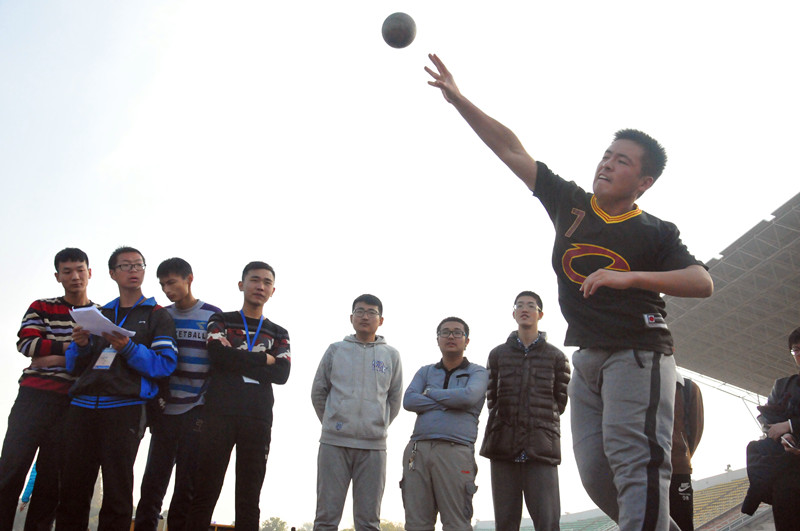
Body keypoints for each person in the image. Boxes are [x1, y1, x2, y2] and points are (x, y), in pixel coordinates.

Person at [425, 54, 714, 530]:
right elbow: (511, 150)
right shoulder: (570, 202)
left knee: (635, 466)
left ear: (644, 182)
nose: (607, 164)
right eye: (607, 154)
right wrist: (459, 100)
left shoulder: (656, 231)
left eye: (622, 161)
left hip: (638, 353)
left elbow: (701, 282)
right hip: (588, 359)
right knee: (598, 474)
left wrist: (628, 277)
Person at [56, 246, 178, 531]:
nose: (133, 270)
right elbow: (75, 366)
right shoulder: (98, 313)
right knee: (72, 490)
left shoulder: (157, 315)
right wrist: (81, 345)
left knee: (117, 491)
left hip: (125, 408)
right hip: (82, 408)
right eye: (126, 265)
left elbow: (164, 364)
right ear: (112, 273)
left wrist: (129, 348)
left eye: (138, 265)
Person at [185, 261, 290, 531]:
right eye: (255, 280)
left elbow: (282, 373)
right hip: (219, 413)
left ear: (273, 291)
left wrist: (236, 358)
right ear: (241, 285)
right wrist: (263, 359)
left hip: (258, 416)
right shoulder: (221, 320)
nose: (260, 286)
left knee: (249, 495)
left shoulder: (279, 332)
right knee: (205, 489)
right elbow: (217, 355)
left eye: (267, 282)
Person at [0, 247, 95, 531]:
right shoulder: (42, 307)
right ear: (58, 276)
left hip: (71, 404)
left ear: (90, 273)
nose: (75, 276)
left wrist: (54, 356)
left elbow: (95, 360)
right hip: (34, 397)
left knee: (51, 480)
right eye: (67, 271)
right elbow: (27, 344)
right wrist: (71, 348)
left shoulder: (99, 315)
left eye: (80, 270)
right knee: (10, 470)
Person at [134, 258, 222, 531]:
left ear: (189, 279)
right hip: (165, 409)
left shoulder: (212, 315)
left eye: (171, 282)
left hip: (197, 408)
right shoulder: (162, 315)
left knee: (187, 486)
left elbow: (219, 362)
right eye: (162, 285)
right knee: (152, 484)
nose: (167, 289)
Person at [311, 294, 403, 531]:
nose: (365, 316)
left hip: (373, 446)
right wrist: (333, 421)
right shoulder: (335, 350)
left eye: (371, 312)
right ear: (351, 317)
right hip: (334, 443)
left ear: (381, 320)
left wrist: (377, 425)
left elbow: (394, 398)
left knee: (369, 521)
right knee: (326, 518)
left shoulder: (391, 355)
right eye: (360, 311)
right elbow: (318, 392)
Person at [479, 291, 570, 531]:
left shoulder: (556, 356)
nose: (525, 309)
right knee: (505, 522)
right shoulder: (497, 354)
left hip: (541, 446)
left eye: (531, 305)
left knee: (548, 521)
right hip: (503, 444)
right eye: (519, 305)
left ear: (540, 314)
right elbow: (492, 399)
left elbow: (559, 402)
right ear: (514, 314)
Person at [401, 317, 488, 531]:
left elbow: (468, 397)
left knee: (456, 523)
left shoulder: (478, 372)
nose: (451, 336)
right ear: (437, 339)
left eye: (457, 332)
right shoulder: (425, 371)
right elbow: (409, 400)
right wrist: (450, 401)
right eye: (445, 332)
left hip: (455, 450)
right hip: (418, 451)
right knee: (416, 524)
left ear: (467, 341)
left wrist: (430, 393)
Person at [746, 327, 800, 530]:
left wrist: (790, 425)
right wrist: (784, 435)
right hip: (787, 474)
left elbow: (783, 422)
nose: (799, 354)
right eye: (796, 349)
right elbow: (768, 421)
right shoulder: (782, 386)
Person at [670, 374, 703, 531]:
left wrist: (681, 454)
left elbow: (696, 429)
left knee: (682, 523)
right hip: (641, 469)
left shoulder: (687, 388)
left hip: (677, 470)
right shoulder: (634, 382)